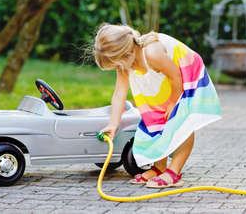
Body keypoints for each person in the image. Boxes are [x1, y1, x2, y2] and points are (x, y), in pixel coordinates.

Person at [94, 24, 221, 189]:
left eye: (117, 64)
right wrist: (113, 124)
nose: (118, 69)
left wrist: (173, 103)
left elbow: (176, 77)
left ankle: (174, 172)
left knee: (181, 120)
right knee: (155, 119)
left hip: (185, 74)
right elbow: (119, 94)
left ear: (127, 54)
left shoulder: (152, 53)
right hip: (167, 81)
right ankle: (159, 168)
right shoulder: (125, 62)